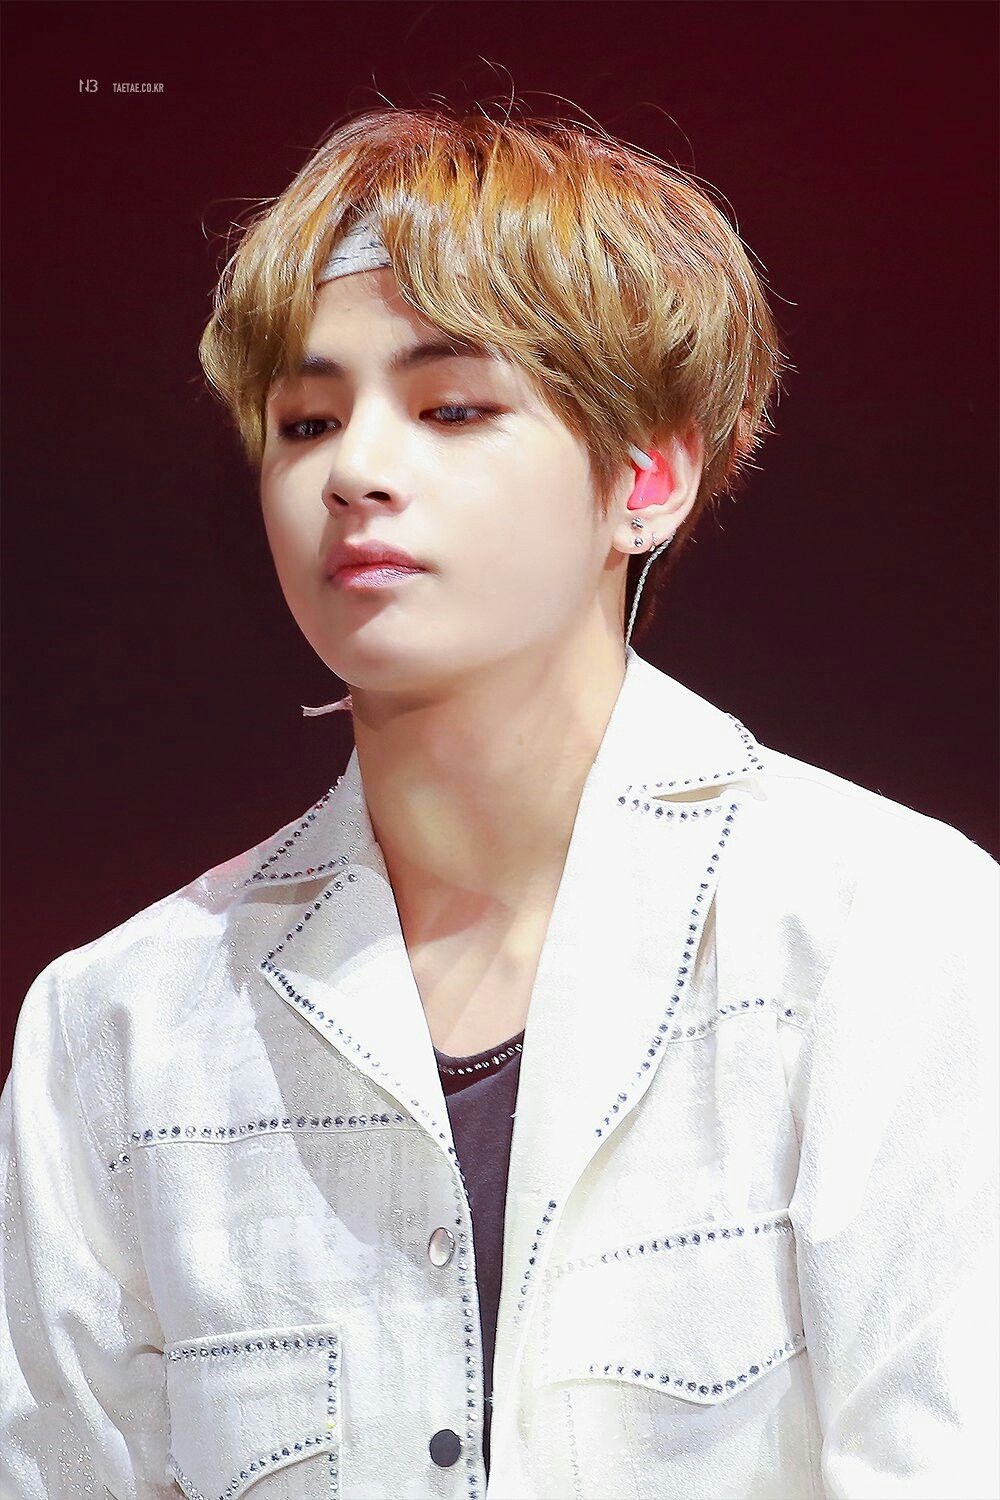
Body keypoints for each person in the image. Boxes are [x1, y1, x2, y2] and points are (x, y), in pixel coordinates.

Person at [1, 101, 997, 1500]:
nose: (355, 471)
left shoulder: (882, 931)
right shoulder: (120, 1027)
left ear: (647, 474)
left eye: (453, 408)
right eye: (305, 421)